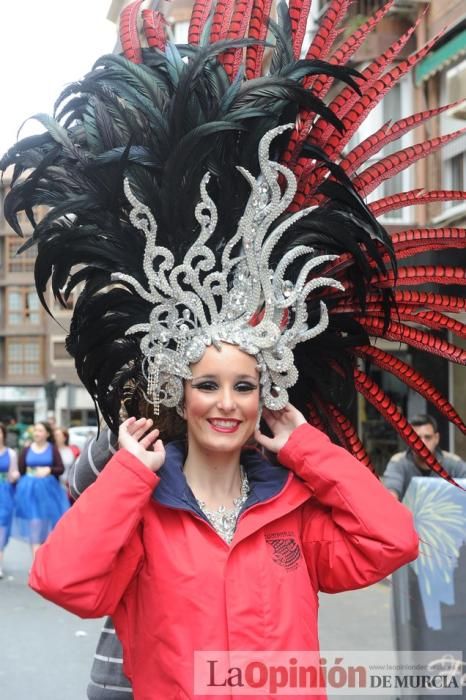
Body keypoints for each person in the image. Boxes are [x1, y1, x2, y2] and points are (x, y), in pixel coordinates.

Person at [2, 1, 465, 698]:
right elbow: (61, 579)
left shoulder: (295, 509)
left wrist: (308, 449)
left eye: (244, 386)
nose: (226, 403)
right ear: (181, 393)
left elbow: (393, 540)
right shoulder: (144, 513)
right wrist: (130, 474)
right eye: (209, 384)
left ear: (264, 397)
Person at [13, 422, 68, 559]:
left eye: (40, 431)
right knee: (35, 525)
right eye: (35, 430)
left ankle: (43, 560)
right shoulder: (26, 449)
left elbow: (60, 469)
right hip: (29, 493)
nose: (37, 433)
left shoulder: (52, 449)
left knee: (47, 528)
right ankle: (36, 564)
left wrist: (49, 470)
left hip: (49, 493)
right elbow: (21, 470)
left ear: (47, 434)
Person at [383, 414, 466, 501]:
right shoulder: (398, 462)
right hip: (408, 514)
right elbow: (391, 492)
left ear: (436, 438)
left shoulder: (453, 463)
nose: (422, 443)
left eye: (428, 437)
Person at [0, 423, 20, 579]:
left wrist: (15, 476)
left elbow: (14, 473)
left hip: (5, 493)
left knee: (2, 527)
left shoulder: (11, 454)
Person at [54, 426, 80, 500]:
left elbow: (76, 468)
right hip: (55, 485)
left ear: (65, 437)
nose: (55, 437)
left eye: (58, 435)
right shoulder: (51, 451)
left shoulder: (72, 451)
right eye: (55, 435)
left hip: (67, 486)